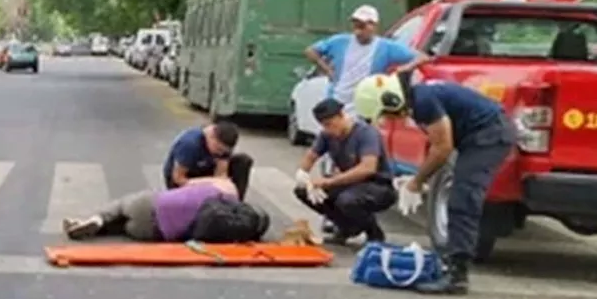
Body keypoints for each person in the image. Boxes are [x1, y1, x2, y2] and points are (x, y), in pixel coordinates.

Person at [366, 74, 516, 295]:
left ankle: (457, 275)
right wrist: (419, 178)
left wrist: (417, 182)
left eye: (385, 112)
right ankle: (451, 263)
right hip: (478, 134)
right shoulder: (421, 97)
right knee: (460, 196)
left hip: (489, 135)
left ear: (392, 100)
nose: (389, 118)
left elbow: (442, 148)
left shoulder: (423, 100)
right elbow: (439, 144)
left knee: (463, 199)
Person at [292, 98, 398, 245]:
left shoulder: (365, 133)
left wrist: (329, 182)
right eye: (324, 125)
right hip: (349, 183)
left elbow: (368, 168)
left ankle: (373, 232)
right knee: (304, 191)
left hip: (377, 185)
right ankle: (346, 226)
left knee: (347, 200)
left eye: (330, 124)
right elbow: (311, 156)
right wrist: (303, 174)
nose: (328, 129)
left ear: (341, 115)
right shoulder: (327, 135)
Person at [304, 4, 425, 116]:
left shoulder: (386, 47)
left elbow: (421, 57)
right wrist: (326, 69)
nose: (359, 31)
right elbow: (311, 51)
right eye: (356, 26)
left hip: (365, 105)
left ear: (374, 26)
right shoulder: (340, 41)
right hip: (337, 100)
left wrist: (407, 67)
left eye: (363, 26)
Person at [63, 177, 267, 242]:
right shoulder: (232, 225)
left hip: (151, 205)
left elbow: (186, 182)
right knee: (124, 226)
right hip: (155, 233)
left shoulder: (224, 187)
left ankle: (97, 219)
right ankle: (104, 227)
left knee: (121, 205)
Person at [162, 121, 253, 201]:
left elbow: (221, 173)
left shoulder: (223, 144)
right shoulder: (190, 144)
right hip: (183, 178)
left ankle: (235, 208)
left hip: (204, 170)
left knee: (243, 161)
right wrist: (211, 182)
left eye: (224, 151)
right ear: (211, 136)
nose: (220, 153)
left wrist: (224, 186)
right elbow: (178, 178)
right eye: (218, 149)